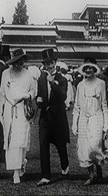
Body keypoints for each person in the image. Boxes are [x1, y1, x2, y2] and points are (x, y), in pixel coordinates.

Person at [0, 48, 36, 184]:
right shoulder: (5, 74)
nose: (20, 64)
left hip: (22, 109)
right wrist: (0, 110)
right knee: (11, 140)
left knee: (20, 139)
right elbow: (2, 93)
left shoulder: (27, 74)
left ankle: (18, 168)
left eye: (22, 61)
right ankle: (15, 167)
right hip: (9, 109)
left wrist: (28, 95)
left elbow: (33, 90)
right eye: (17, 61)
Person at [72, 57, 108, 186]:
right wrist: (74, 123)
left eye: (90, 67)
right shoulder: (80, 85)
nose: (88, 70)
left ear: (94, 69)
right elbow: (76, 106)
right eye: (86, 67)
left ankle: (99, 173)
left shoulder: (101, 83)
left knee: (95, 146)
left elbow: (104, 104)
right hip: (83, 118)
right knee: (85, 148)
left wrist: (105, 124)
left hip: (96, 117)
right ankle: (91, 175)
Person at [36, 48, 70, 186]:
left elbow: (63, 96)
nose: (49, 66)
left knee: (61, 145)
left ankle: (65, 165)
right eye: (47, 63)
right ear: (44, 65)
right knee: (43, 146)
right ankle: (45, 176)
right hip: (45, 117)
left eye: (51, 63)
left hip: (58, 118)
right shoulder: (41, 78)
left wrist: (52, 83)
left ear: (55, 63)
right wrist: (39, 100)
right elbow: (40, 94)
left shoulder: (62, 79)